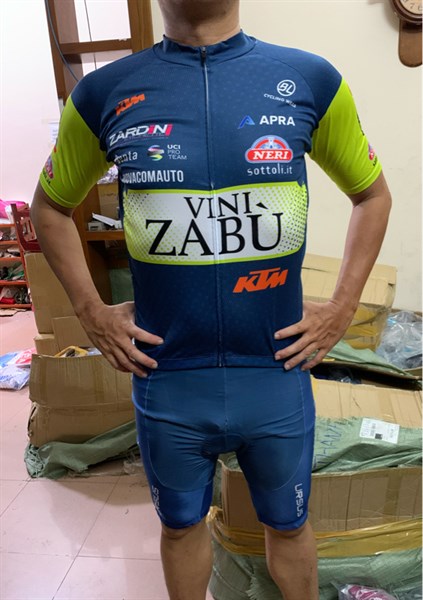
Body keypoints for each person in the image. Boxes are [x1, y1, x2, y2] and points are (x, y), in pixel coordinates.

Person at [31, 1, 392, 598]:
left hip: (274, 374)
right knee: (179, 528)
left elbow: (372, 196)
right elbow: (49, 207)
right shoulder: (101, 93)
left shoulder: (310, 79)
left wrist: (342, 308)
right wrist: (91, 311)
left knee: (290, 525)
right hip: (169, 378)